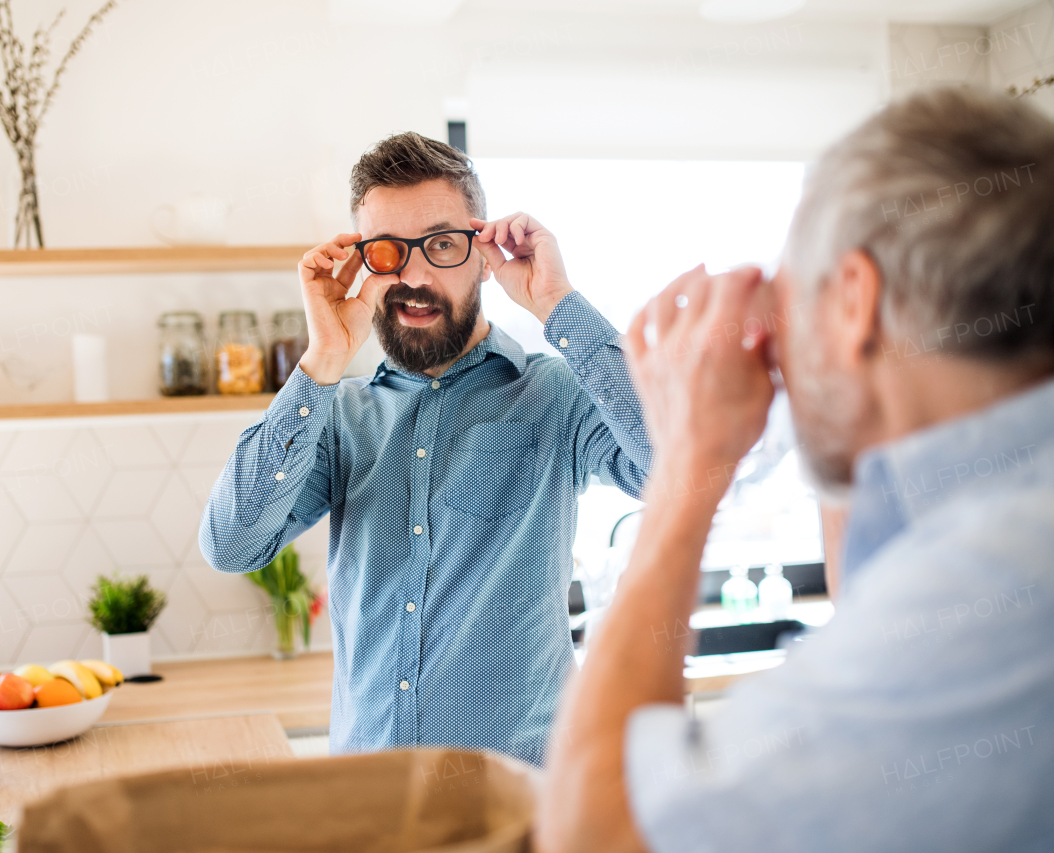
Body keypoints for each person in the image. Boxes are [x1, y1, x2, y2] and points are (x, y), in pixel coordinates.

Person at [535, 86, 1054, 852]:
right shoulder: (1000, 518)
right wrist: (844, 397)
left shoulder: (1000, 578)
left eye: (795, 296)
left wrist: (688, 460)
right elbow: (874, 602)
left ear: (854, 300)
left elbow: (592, 828)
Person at [199, 132, 653, 765]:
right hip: (372, 810)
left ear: (482, 255)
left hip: (520, 810)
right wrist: (325, 356)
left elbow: (673, 462)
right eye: (387, 251)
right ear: (364, 263)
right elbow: (231, 543)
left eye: (440, 244)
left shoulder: (554, 395)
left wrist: (558, 305)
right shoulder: (337, 415)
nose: (413, 276)